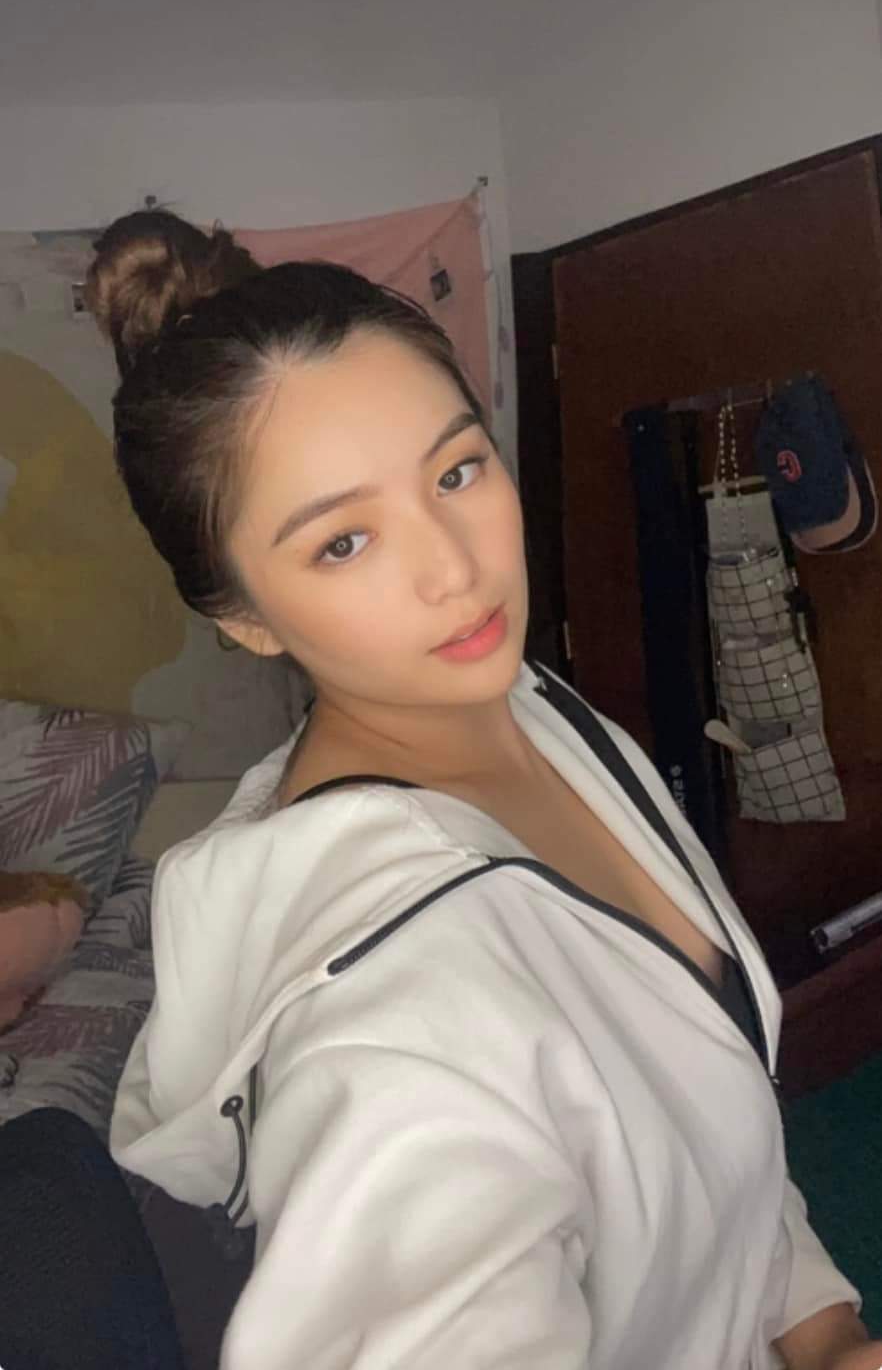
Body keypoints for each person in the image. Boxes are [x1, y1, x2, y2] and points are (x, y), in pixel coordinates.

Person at [82, 210, 877, 1370]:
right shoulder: (391, 1029)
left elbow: (707, 1100)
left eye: (457, 470)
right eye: (342, 542)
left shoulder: (536, 709)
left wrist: (821, 1329)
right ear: (245, 617)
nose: (457, 569)